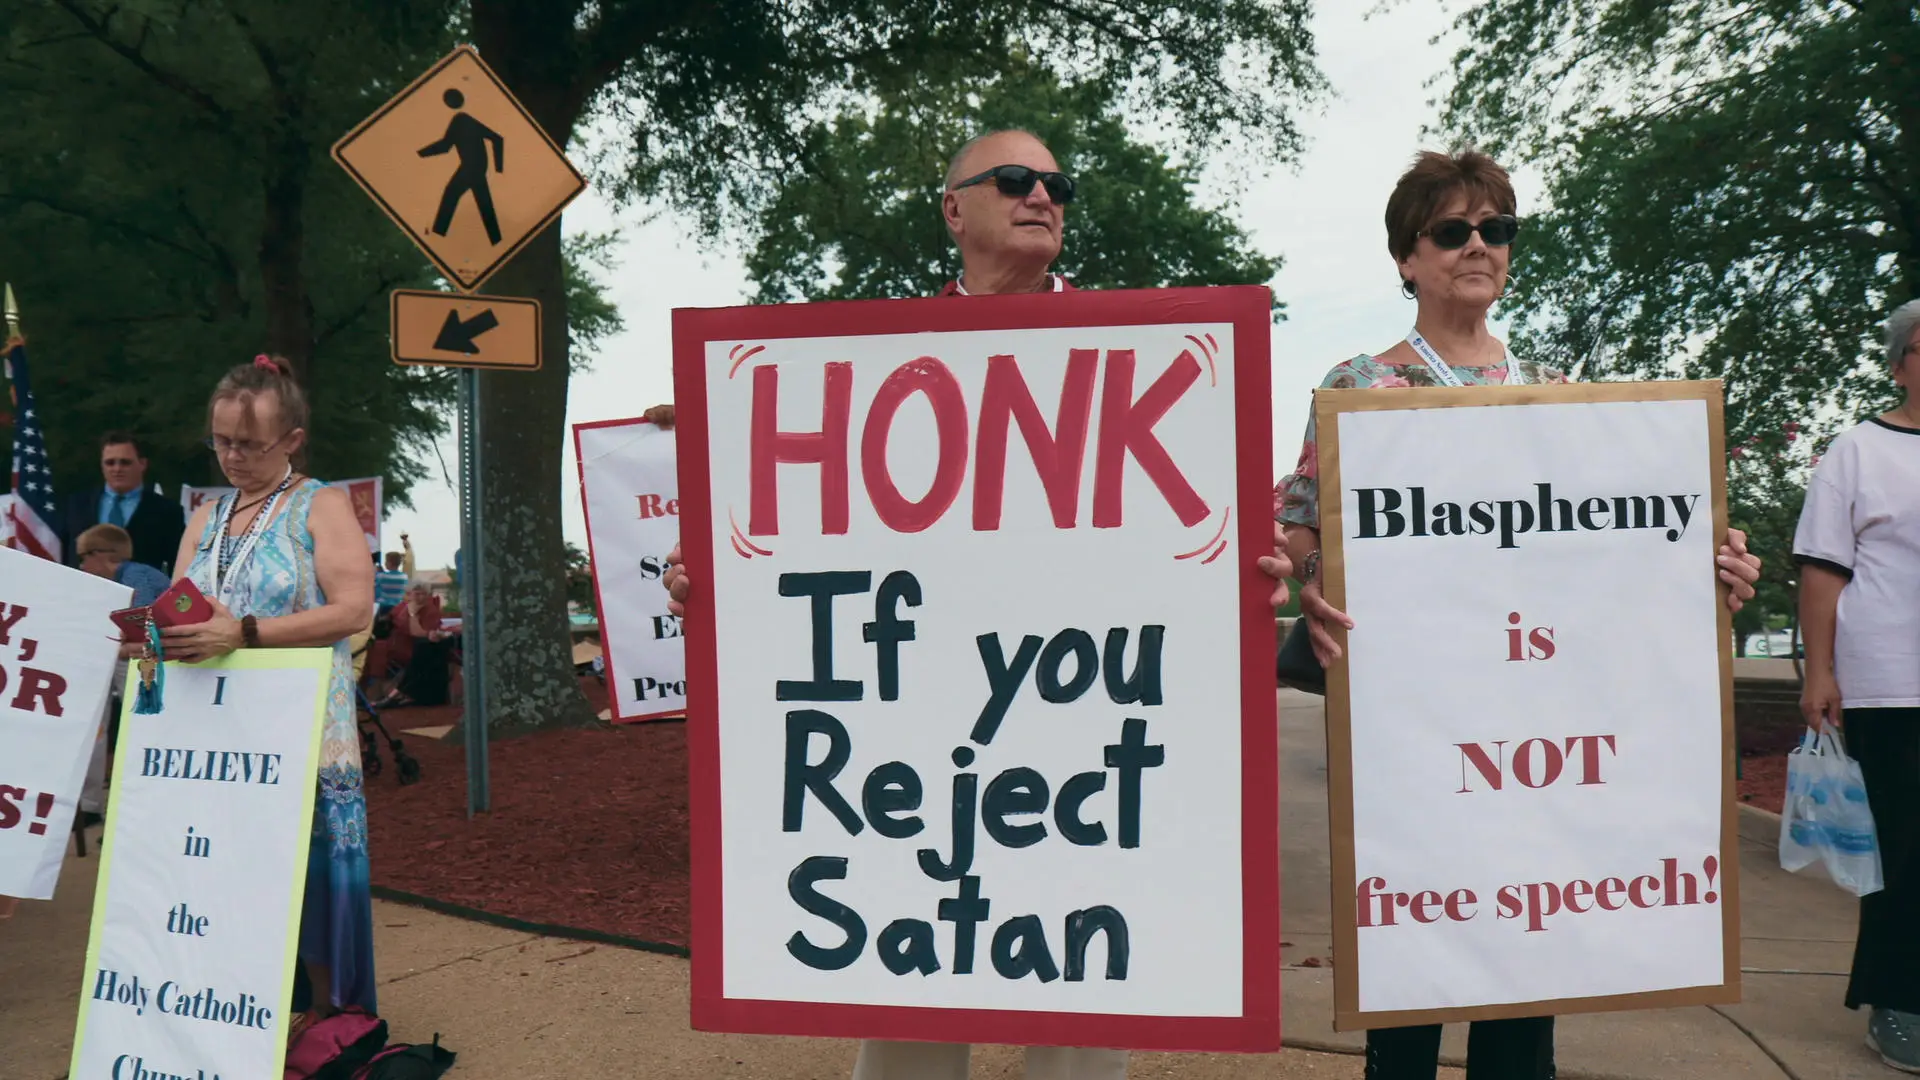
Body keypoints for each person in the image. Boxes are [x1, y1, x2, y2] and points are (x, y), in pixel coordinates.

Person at [658, 129, 1294, 1080]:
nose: (1043, 195)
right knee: (909, 979)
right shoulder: (879, 365)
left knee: (1084, 1006)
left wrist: (1247, 576)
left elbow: (1185, 554)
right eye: (1013, 180)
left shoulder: (1139, 352)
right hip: (917, 741)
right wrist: (718, 579)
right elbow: (820, 547)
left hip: (1085, 731)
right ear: (954, 210)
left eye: (1056, 184)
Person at [1274, 149, 1763, 1080]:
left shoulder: (1557, 394)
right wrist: (1312, 581)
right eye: (1452, 230)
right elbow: (1301, 523)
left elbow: (1610, 550)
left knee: (1527, 958)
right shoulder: (1362, 386)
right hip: (1411, 730)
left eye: (1496, 229)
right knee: (1410, 964)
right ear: (1407, 257)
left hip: (1538, 736)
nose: (1478, 246)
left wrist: (1703, 569)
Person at [159, 354, 377, 1040]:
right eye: (219, 441)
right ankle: (238, 1000)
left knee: (306, 860)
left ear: (292, 440)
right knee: (227, 860)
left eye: (248, 444)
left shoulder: (322, 504)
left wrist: (245, 633)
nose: (231, 456)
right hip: (218, 725)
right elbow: (182, 606)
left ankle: (325, 1013)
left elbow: (353, 610)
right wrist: (153, 640)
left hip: (301, 719)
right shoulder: (207, 516)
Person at [1794, 297, 1920, 1074]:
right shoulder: (1859, 451)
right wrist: (1821, 669)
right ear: (1904, 358)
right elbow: (1822, 569)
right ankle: (1897, 1002)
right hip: (1890, 684)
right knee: (1904, 852)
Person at [73, 523, 171, 823]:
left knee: (141, 729)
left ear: (105, 555)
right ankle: (90, 805)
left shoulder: (137, 575)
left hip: (156, 660)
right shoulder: (111, 582)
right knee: (92, 723)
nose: (81, 565)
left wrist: (112, 647)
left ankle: (132, 814)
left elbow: (141, 634)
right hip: (128, 654)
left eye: (84, 557)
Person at [60, 431, 186, 573]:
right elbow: (62, 555)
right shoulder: (76, 505)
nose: (117, 469)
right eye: (110, 463)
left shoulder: (168, 512)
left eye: (125, 463)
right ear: (101, 465)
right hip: (83, 591)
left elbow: (179, 567)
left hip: (143, 591)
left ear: (143, 464)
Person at [376, 583, 454, 709]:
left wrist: (412, 615)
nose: (420, 597)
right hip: (395, 645)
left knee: (422, 648)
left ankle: (395, 695)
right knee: (375, 649)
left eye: (424, 594)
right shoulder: (401, 607)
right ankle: (382, 694)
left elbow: (417, 634)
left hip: (413, 649)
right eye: (417, 593)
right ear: (409, 594)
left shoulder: (430, 611)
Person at [374, 534, 414, 617]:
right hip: (398, 607)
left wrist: (378, 572)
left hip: (384, 608)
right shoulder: (404, 577)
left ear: (389, 563)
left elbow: (376, 584)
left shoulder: (381, 576)